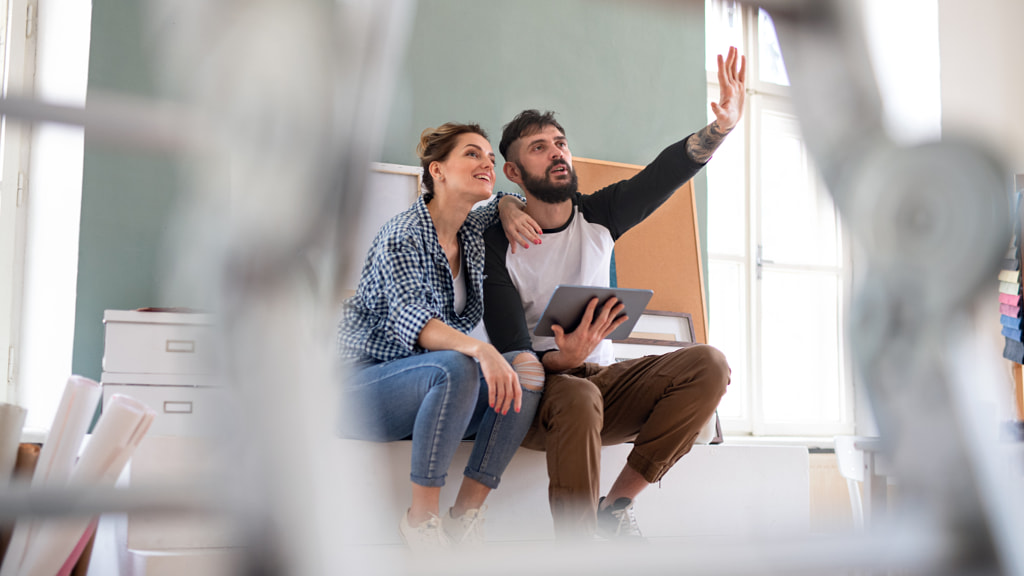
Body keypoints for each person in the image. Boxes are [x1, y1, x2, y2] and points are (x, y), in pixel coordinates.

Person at [481, 47, 745, 540]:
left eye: (560, 142)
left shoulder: (599, 215)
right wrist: (562, 357)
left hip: (600, 384)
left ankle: (616, 505)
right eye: (539, 147)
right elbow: (512, 353)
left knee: (710, 364)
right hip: (536, 395)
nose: (557, 152)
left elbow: (664, 175)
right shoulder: (497, 243)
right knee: (578, 392)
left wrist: (720, 130)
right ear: (513, 173)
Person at [337, 122, 545, 550]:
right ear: (438, 171)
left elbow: (512, 199)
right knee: (457, 365)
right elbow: (414, 320)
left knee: (527, 373)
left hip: (423, 392)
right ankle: (421, 519)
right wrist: (482, 349)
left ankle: (464, 514)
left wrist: (506, 204)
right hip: (362, 391)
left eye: (489, 156)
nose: (487, 162)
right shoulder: (403, 235)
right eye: (472, 154)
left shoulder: (470, 230)